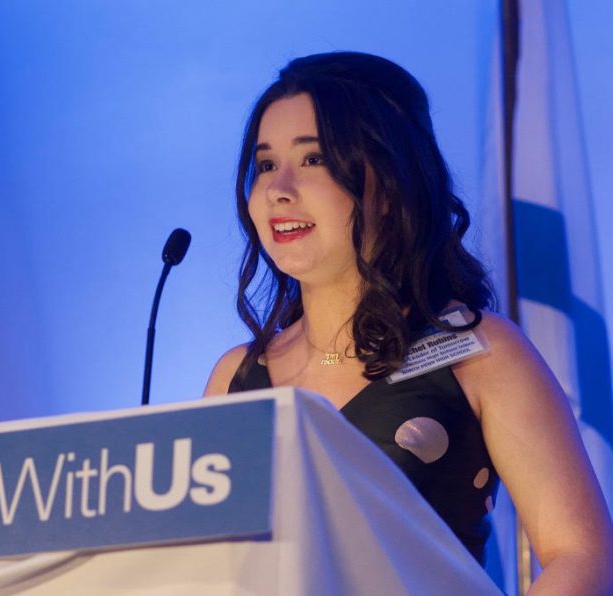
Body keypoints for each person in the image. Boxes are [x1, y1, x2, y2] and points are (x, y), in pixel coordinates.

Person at [204, 52, 612, 592]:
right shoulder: (235, 377)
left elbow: (581, 556)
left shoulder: (479, 351)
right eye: (265, 164)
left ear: (391, 185)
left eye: (313, 160)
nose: (279, 188)